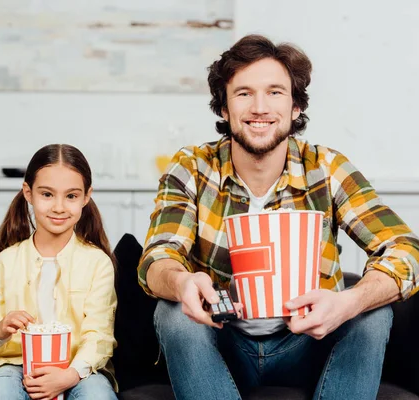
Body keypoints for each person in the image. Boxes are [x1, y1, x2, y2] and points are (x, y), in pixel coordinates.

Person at [137, 34, 419, 399]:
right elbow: (157, 257)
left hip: (307, 344)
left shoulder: (326, 168)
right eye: (243, 93)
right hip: (223, 342)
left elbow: (404, 248)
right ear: (224, 108)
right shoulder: (192, 167)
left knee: (373, 311)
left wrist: (349, 302)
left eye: (274, 92)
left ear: (295, 106)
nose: (259, 107)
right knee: (173, 314)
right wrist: (181, 283)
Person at [0, 144, 118, 400]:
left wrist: (69, 375)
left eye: (71, 196)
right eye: (47, 194)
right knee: (1, 392)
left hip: (77, 368)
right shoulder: (6, 261)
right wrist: (0, 329)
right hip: (12, 364)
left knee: (97, 396)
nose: (59, 207)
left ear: (86, 197)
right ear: (28, 192)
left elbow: (99, 337)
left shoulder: (97, 263)